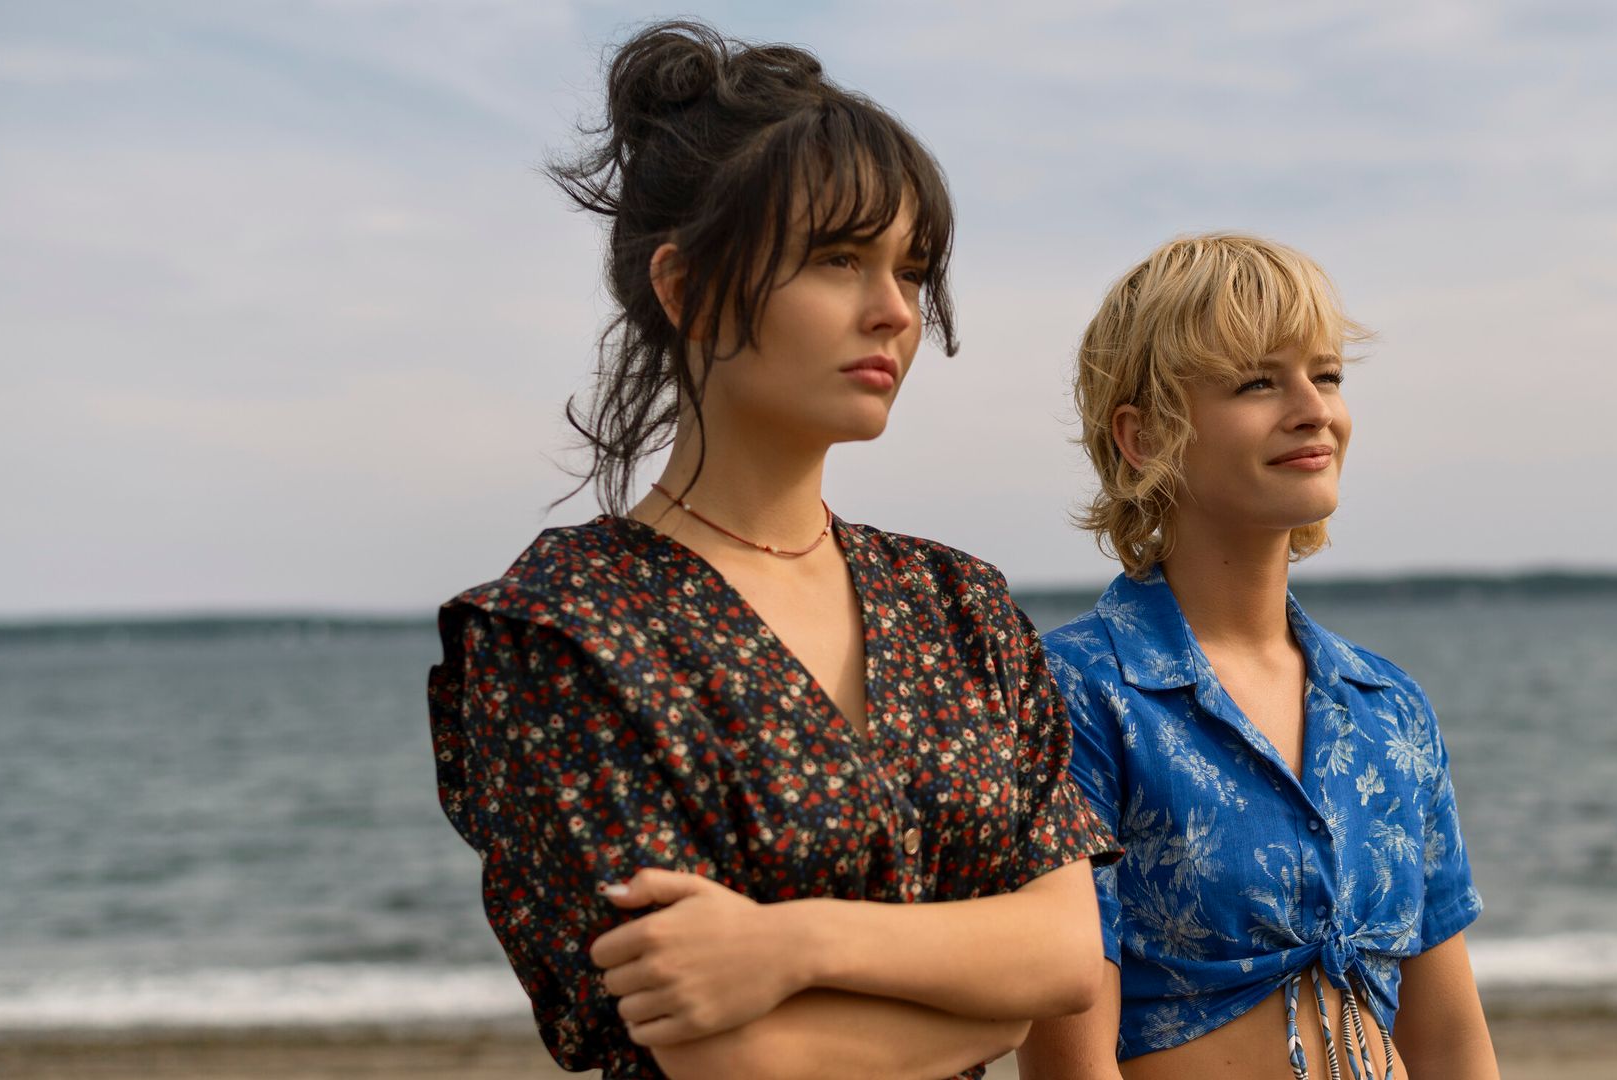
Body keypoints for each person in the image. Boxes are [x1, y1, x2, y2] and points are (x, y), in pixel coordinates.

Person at [426, 21, 1115, 1080]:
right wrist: (981, 999)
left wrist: (793, 944)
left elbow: (1067, 957)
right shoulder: (566, 632)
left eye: (912, 269)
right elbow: (737, 1060)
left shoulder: (958, 603)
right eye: (839, 261)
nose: (894, 312)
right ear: (688, 288)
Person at [1018, 235, 1499, 1080]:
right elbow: (1067, 1055)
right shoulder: (1078, 694)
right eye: (1257, 382)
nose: (1314, 408)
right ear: (1144, 436)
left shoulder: (1389, 708)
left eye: (1328, 375)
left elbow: (1452, 1040)